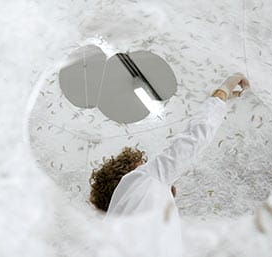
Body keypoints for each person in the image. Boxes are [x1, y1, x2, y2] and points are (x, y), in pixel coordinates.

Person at [88, 73, 250, 255]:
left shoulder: (112, 230)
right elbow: (193, 140)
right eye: (145, 163)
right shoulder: (142, 177)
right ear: (134, 167)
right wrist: (222, 93)